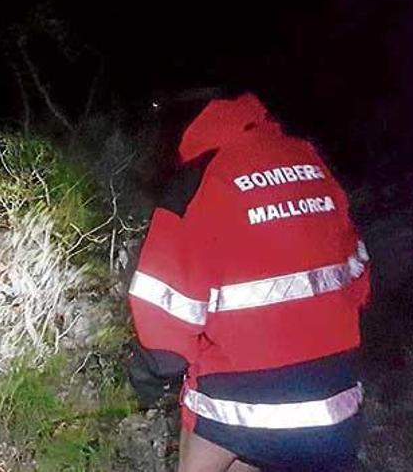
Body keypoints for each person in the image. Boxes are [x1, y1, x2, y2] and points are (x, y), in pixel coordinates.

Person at [126, 92, 371, 471]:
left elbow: (165, 327)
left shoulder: (198, 182)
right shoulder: (309, 160)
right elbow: (358, 280)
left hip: (240, 412)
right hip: (334, 405)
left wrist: (147, 378)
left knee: (213, 419)